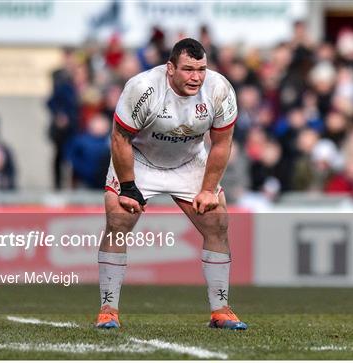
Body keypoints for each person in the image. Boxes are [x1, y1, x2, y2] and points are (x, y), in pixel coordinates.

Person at [95, 38, 247, 330]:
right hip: (139, 159)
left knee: (217, 223)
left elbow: (221, 143)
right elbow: (120, 139)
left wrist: (207, 189)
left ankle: (221, 311)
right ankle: (108, 310)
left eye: (201, 69)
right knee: (118, 222)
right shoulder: (143, 88)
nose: (196, 77)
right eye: (188, 69)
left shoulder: (220, 90)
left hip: (188, 161)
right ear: (169, 69)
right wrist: (127, 187)